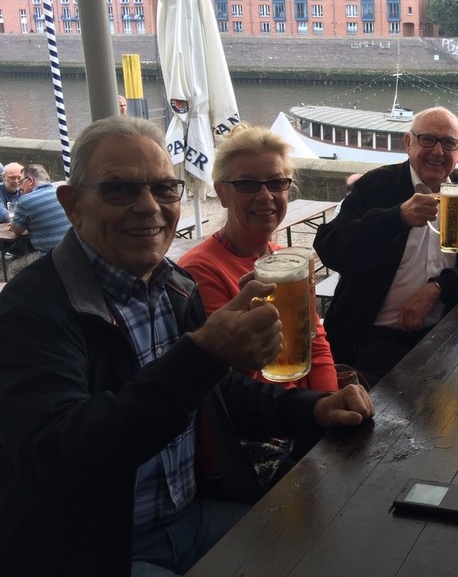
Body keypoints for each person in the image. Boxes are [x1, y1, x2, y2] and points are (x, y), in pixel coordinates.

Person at [0, 116, 375, 576]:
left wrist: (315, 407)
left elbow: (218, 393)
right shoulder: (31, 310)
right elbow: (58, 460)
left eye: (163, 188)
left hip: (192, 515)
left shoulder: (172, 286)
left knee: (336, 549)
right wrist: (202, 356)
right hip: (101, 548)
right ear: (73, 204)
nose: (148, 207)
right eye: (120, 189)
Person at [314, 107, 458, 387]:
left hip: (443, 336)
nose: (438, 151)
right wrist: (396, 217)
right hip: (371, 339)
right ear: (408, 143)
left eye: (449, 143)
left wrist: (437, 287)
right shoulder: (378, 185)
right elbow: (330, 247)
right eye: (427, 139)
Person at [180, 124, 338, 392]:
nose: (265, 196)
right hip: (263, 425)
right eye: (248, 184)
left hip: (309, 413)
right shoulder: (200, 270)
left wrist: (331, 403)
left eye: (276, 183)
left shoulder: (287, 264)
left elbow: (316, 344)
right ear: (221, 193)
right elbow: (231, 385)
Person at [6, 164, 71, 279]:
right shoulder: (62, 192)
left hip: (50, 254)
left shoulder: (26, 200)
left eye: (21, 182)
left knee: (13, 267)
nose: (20, 187)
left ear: (30, 181)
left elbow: (17, 231)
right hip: (71, 249)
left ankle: (18, 296)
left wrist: (14, 224)